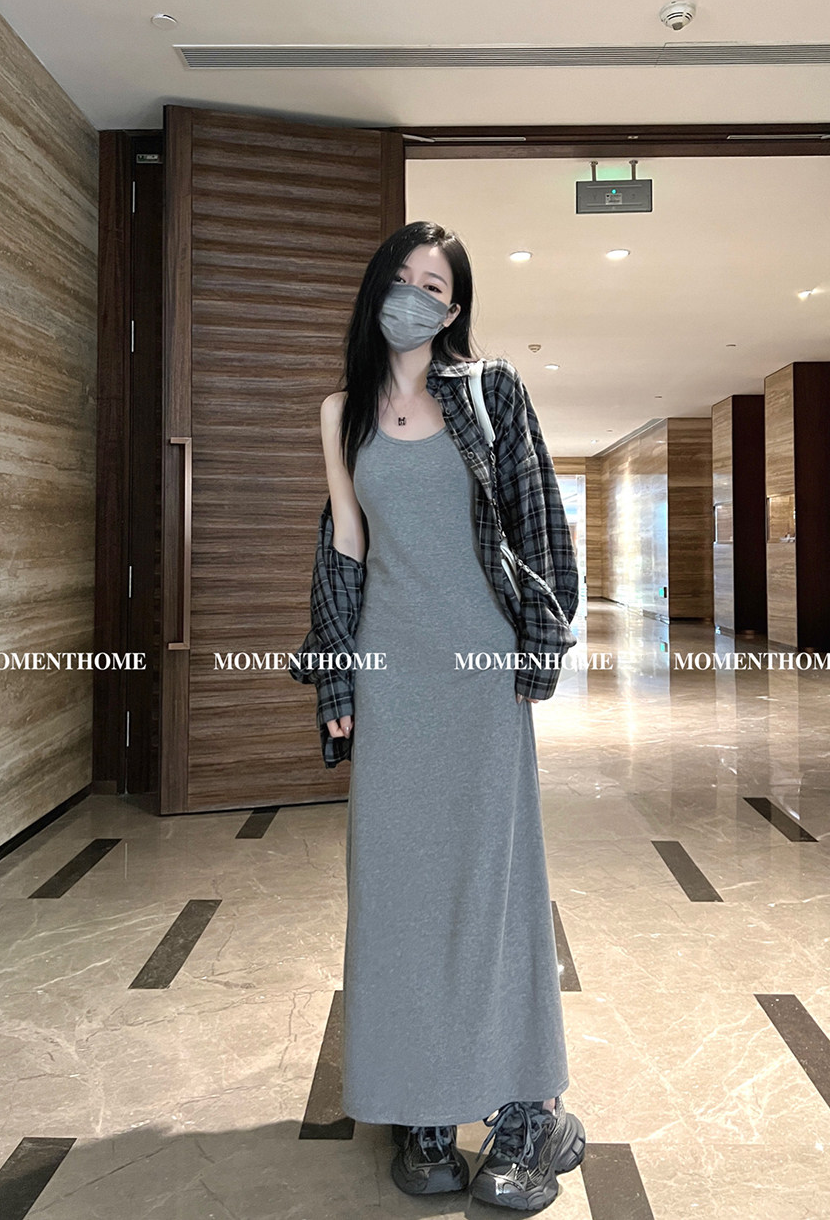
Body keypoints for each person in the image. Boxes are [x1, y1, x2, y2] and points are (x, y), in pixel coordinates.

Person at [313, 219, 586, 1212]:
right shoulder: (341, 413)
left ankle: (528, 1111)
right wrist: (337, 681)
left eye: (433, 285)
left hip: (480, 676)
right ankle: (423, 1106)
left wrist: (540, 643)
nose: (413, 296)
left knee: (494, 888)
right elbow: (343, 548)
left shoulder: (488, 391)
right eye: (401, 277)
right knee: (396, 893)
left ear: (453, 308)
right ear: (375, 287)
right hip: (393, 675)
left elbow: (537, 515)